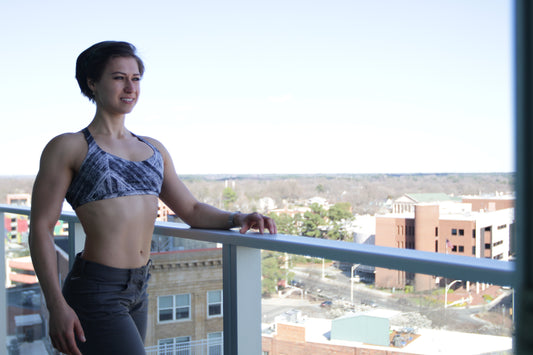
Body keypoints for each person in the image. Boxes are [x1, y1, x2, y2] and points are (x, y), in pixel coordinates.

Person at [29, 41, 277, 355]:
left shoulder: (153, 150)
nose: (130, 87)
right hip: (96, 290)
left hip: (140, 288)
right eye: (119, 77)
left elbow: (192, 210)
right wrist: (56, 305)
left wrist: (238, 218)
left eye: (136, 79)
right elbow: (40, 228)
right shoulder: (70, 146)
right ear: (92, 82)